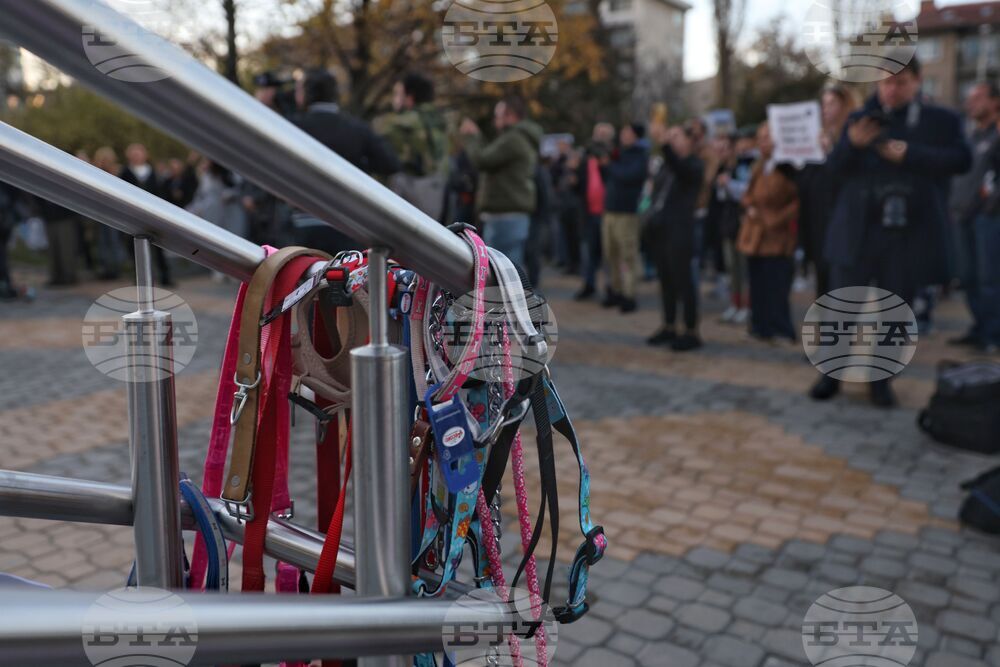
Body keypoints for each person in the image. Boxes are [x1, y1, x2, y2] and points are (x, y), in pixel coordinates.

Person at [812, 54, 972, 407]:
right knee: (842, 306)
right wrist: (851, 145)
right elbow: (833, 173)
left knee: (896, 311)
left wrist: (911, 154)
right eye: (884, 82)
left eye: (899, 82)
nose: (891, 90)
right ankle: (830, 374)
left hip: (906, 233)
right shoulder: (859, 120)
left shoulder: (939, 120)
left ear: (916, 82)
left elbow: (962, 160)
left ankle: (881, 380)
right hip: (857, 231)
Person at [292, 68, 400, 254]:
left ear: (307, 94)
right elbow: (390, 164)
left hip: (303, 221)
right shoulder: (356, 128)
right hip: (347, 222)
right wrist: (360, 167)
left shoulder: (294, 127)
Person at [459, 95, 543, 270]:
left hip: (504, 216)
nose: (494, 120)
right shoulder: (516, 138)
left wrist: (472, 137)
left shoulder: (513, 139)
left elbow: (483, 160)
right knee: (509, 267)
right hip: (510, 215)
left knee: (502, 271)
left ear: (510, 116)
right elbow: (490, 156)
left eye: (498, 115)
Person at [738, 123, 800, 344]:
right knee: (758, 282)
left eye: (767, 137)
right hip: (756, 233)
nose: (762, 142)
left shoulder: (788, 167)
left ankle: (781, 328)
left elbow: (796, 200)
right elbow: (748, 193)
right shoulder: (759, 166)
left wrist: (776, 219)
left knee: (777, 284)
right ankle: (760, 325)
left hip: (777, 234)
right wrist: (749, 205)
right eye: (760, 138)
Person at [949, 82, 1000, 350]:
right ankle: (979, 327)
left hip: (988, 219)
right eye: (970, 98)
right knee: (968, 277)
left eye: (979, 97)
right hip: (962, 217)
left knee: (989, 278)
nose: (972, 103)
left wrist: (990, 205)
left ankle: (993, 334)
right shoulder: (971, 138)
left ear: (995, 102)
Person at [646, 123, 705, 350]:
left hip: (680, 231)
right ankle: (669, 325)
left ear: (690, 141)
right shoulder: (667, 166)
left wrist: (663, 144)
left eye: (677, 136)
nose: (672, 141)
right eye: (670, 137)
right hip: (661, 230)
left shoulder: (693, 165)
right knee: (666, 281)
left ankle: (691, 330)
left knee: (684, 282)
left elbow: (682, 170)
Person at [797, 85, 858, 298]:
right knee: (822, 284)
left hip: (841, 224)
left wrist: (830, 152)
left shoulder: (852, 139)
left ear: (845, 105)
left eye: (831, 104)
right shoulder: (817, 138)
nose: (825, 110)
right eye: (823, 104)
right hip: (817, 223)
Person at [378, 73, 448, 220]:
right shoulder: (441, 123)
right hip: (436, 198)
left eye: (397, 94)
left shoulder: (398, 124)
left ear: (409, 98)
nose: (394, 99)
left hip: (404, 203)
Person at [601, 122, 650, 313]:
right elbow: (609, 175)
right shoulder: (619, 153)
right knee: (610, 253)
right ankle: (615, 290)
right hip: (610, 210)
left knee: (627, 254)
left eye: (627, 132)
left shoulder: (640, 156)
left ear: (636, 135)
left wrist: (610, 165)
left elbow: (628, 176)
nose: (623, 135)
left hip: (627, 212)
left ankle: (630, 295)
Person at [121, 143, 173, 286]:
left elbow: (162, 193)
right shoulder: (125, 173)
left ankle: (165, 276)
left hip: (153, 214)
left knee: (158, 246)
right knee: (135, 247)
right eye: (134, 153)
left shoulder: (154, 173)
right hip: (133, 215)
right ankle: (140, 279)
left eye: (139, 153)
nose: (137, 156)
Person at [574, 122, 614, 300]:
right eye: (597, 134)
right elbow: (579, 184)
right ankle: (589, 284)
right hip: (588, 212)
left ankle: (611, 287)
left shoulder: (614, 157)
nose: (599, 138)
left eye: (604, 134)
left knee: (608, 253)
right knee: (588, 252)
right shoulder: (586, 158)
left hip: (608, 212)